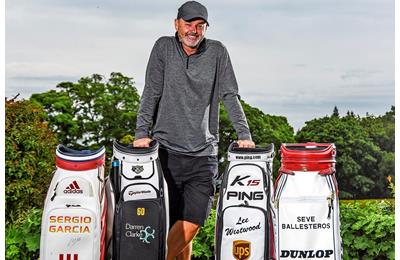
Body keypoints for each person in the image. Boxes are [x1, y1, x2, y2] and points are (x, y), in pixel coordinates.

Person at [133, 1, 255, 259]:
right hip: (165, 154)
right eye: (188, 24)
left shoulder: (217, 52)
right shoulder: (163, 48)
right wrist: (141, 132)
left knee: (191, 223)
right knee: (173, 225)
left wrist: (244, 135)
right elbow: (151, 92)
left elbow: (229, 94)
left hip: (203, 154)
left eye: (200, 26)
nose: (194, 30)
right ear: (176, 24)